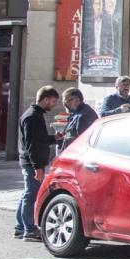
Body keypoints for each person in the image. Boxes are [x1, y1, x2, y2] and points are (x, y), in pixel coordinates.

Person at [16, 85, 60, 241]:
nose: (54, 104)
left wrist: (53, 139)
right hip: (31, 162)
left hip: (30, 161)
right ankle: (28, 229)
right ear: (45, 99)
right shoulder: (32, 116)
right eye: (53, 101)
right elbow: (32, 144)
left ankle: (20, 227)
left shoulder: (35, 114)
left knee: (27, 194)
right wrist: (37, 167)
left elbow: (38, 139)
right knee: (31, 194)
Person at [59, 88, 97, 152]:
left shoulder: (83, 115)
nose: (65, 104)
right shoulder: (76, 113)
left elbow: (82, 141)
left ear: (77, 100)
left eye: (68, 100)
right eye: (64, 101)